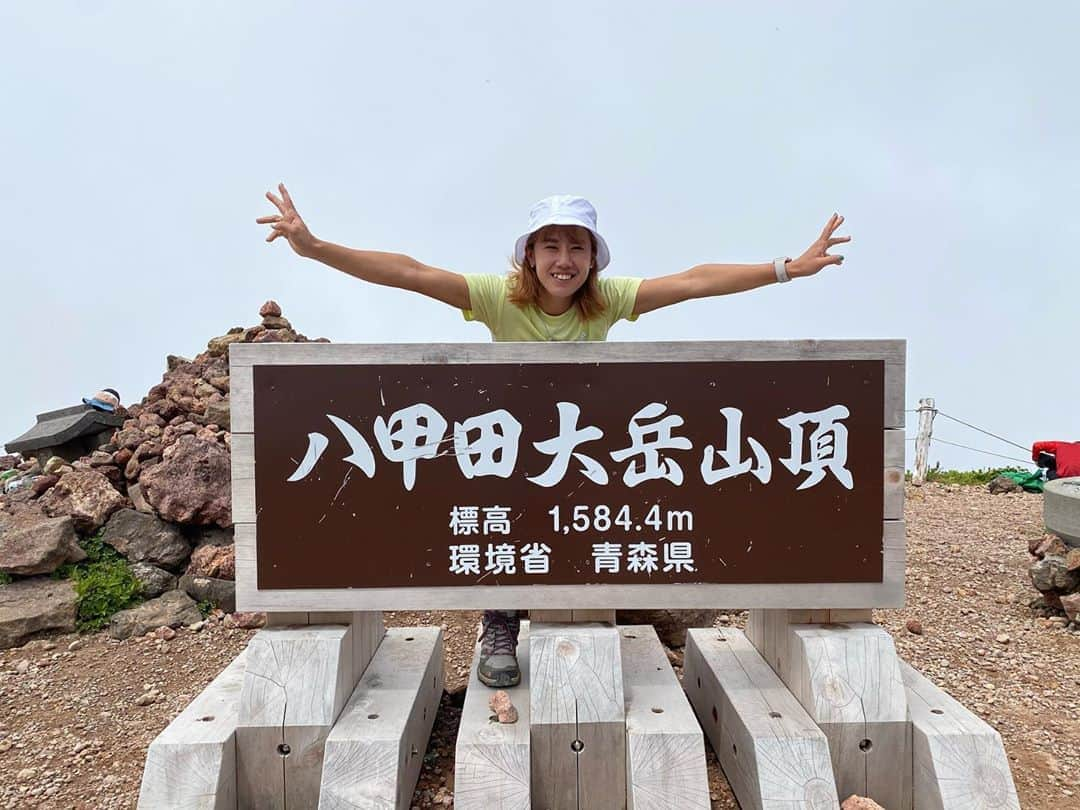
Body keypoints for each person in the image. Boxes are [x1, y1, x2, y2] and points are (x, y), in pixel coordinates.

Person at [257, 184, 850, 687]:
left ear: (593, 259)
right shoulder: (497, 297)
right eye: (551, 245)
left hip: (581, 448)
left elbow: (693, 281)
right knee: (505, 526)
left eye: (576, 247)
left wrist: (786, 269)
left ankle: (597, 624)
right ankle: (500, 628)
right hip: (511, 450)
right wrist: (313, 248)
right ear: (530, 255)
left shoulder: (607, 301)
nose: (563, 259)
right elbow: (410, 273)